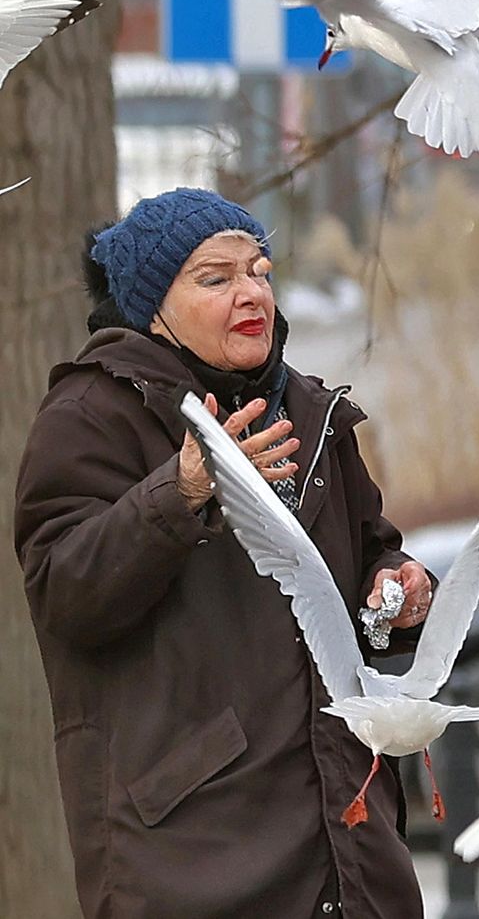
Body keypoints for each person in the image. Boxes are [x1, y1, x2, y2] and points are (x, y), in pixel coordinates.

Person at [14, 187, 434, 919]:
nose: (252, 294)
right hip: (193, 853)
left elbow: (368, 554)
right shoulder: (90, 416)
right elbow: (65, 595)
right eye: (216, 278)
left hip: (349, 845)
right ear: (152, 306)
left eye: (261, 271)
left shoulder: (313, 413)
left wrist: (395, 590)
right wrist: (179, 493)